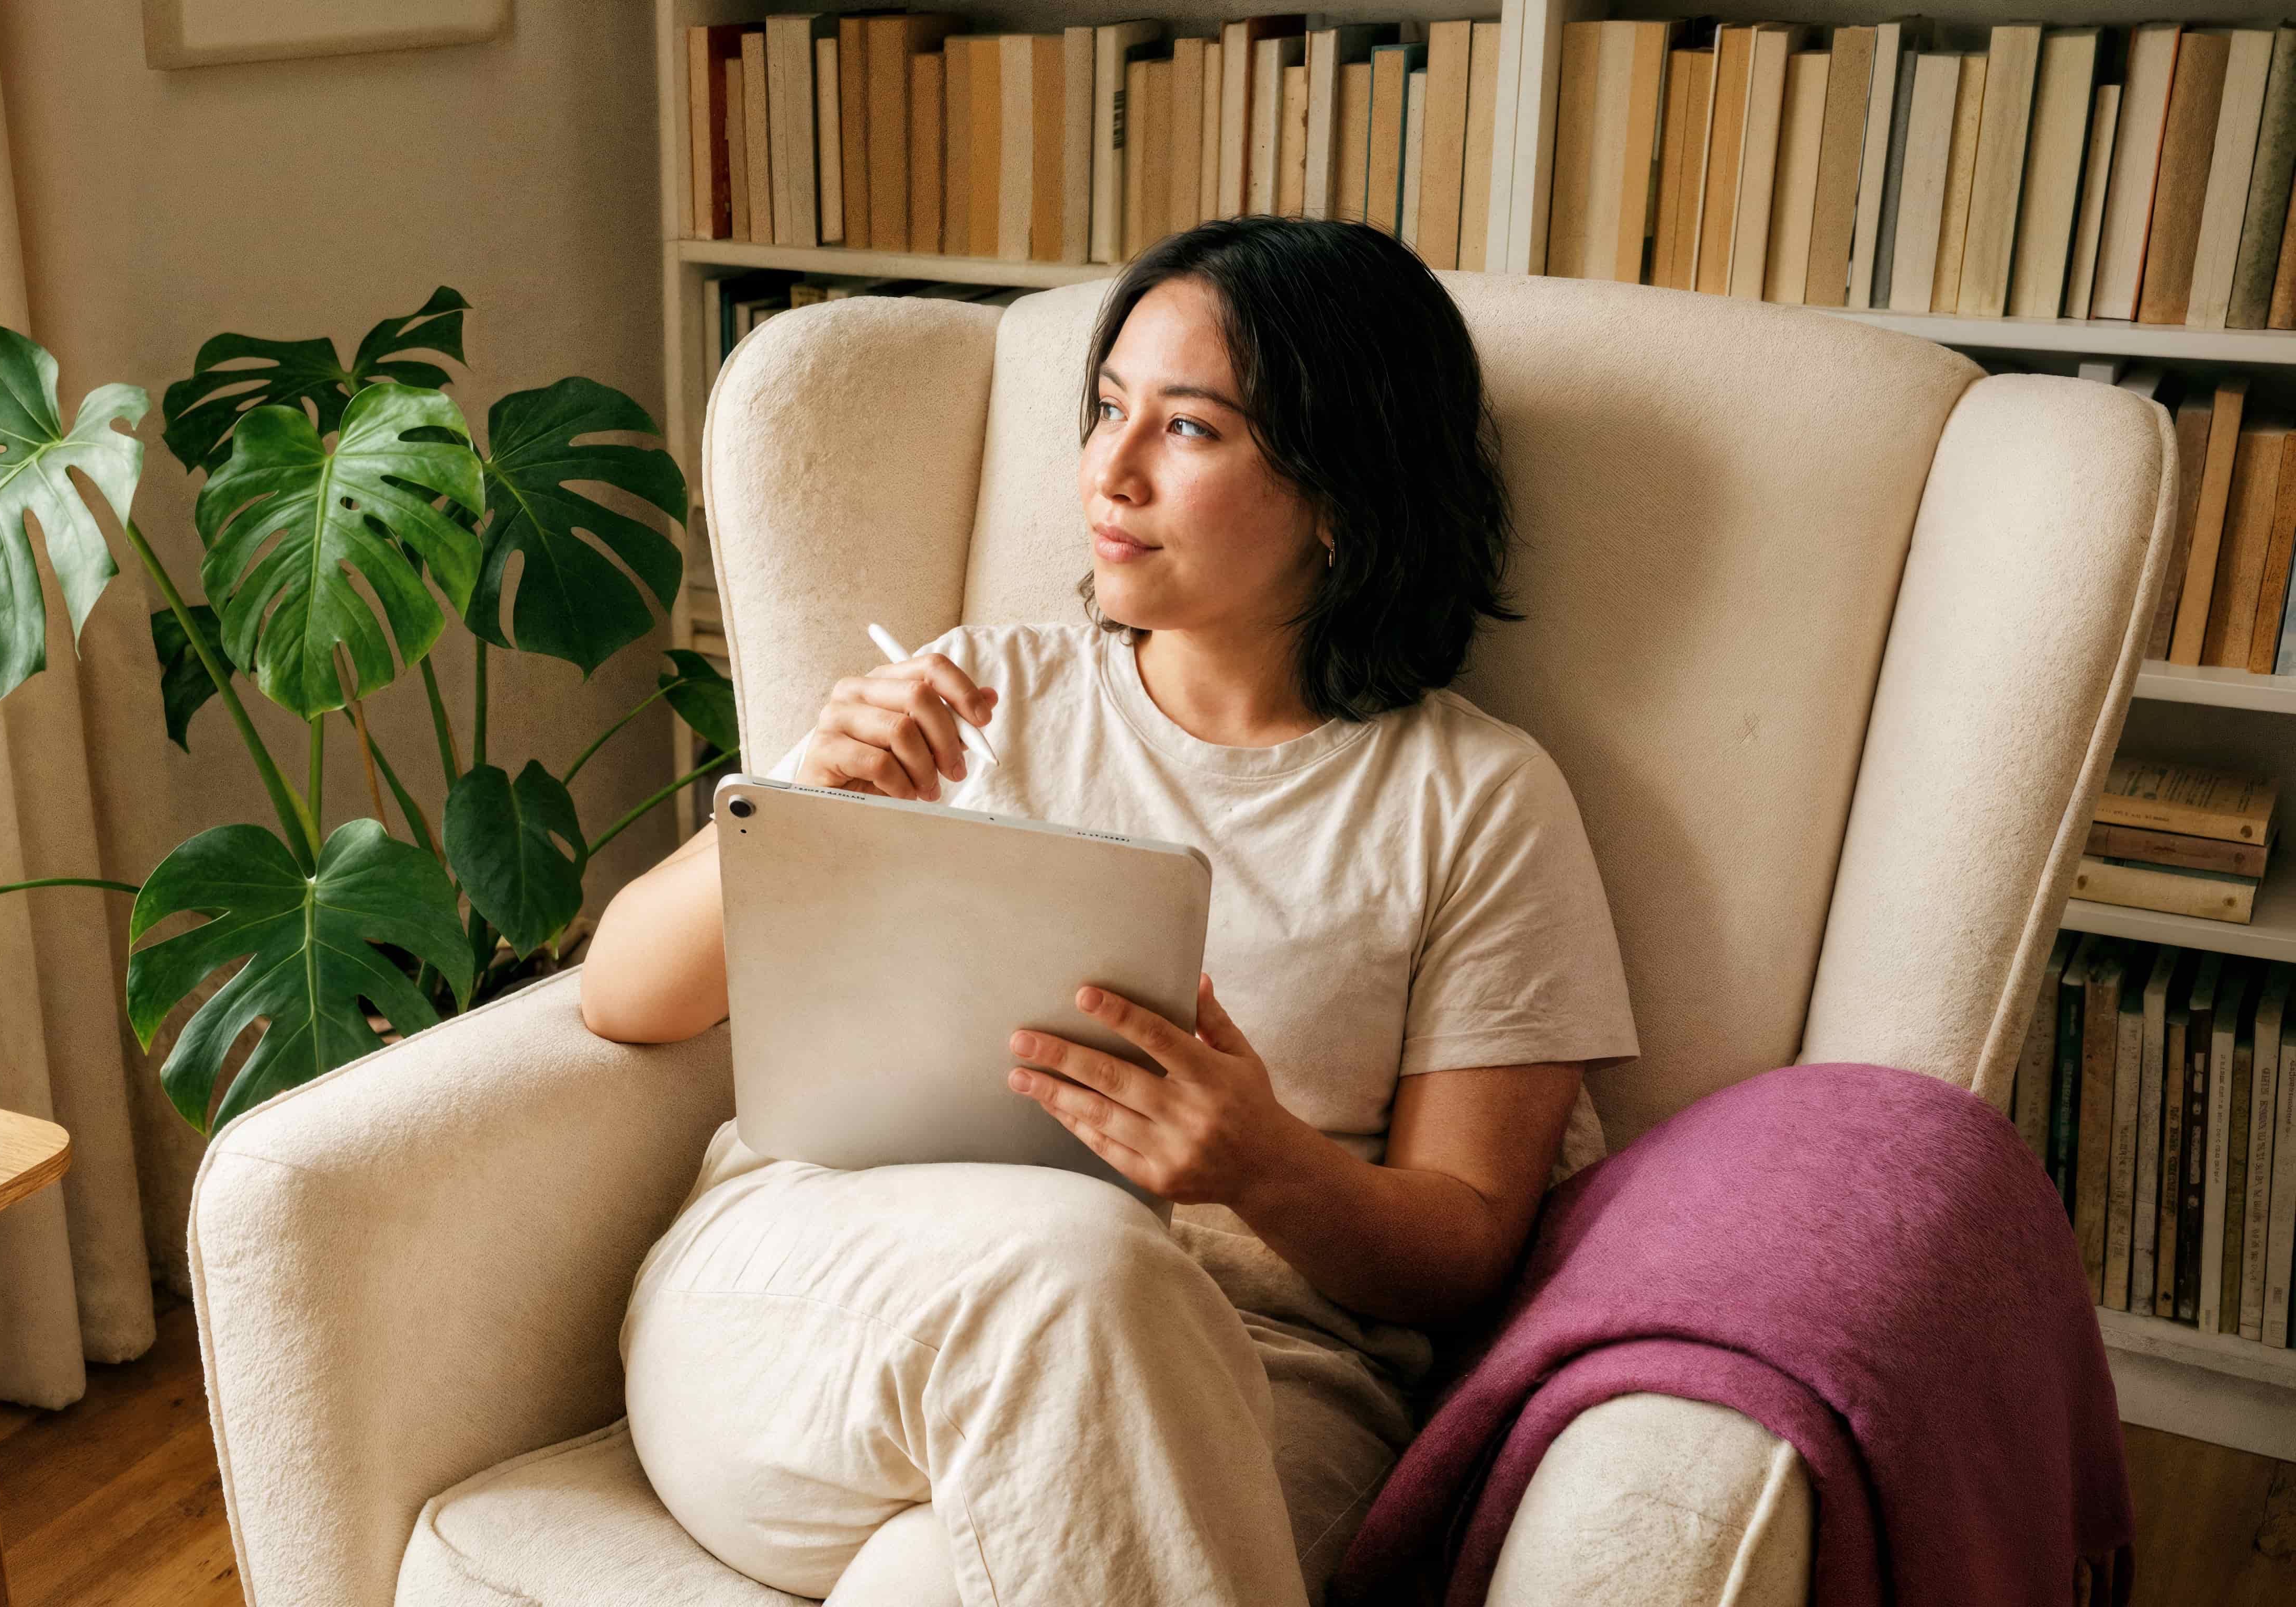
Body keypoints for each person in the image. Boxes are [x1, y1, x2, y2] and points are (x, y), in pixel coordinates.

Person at [576, 216, 1641, 1606]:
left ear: (1342, 485)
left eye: (1189, 430)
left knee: (933, 1582)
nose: (1109, 472)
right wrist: (794, 797)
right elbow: (621, 995)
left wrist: (1262, 1164)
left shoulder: (1479, 801)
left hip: (1252, 1374)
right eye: (1105, 410)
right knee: (1078, 1256)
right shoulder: (968, 696)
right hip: (823, 1300)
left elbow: (1461, 1251)